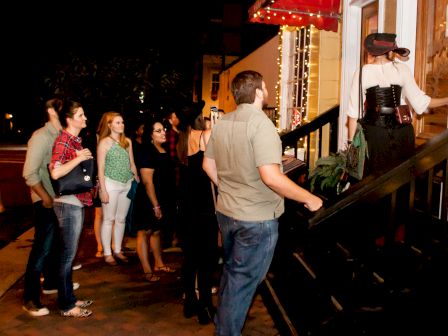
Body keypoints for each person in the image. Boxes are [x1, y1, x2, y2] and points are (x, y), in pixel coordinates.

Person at [203, 70, 323, 335]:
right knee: (242, 282)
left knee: (232, 276)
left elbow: (207, 164)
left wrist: (229, 188)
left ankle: (223, 325)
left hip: (227, 213)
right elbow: (271, 177)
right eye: (265, 87)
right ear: (258, 92)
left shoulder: (222, 122)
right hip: (255, 220)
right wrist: (310, 198)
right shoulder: (262, 125)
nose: (267, 91)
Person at [347, 33, 448, 175]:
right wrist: (446, 100)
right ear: (391, 51)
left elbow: (353, 114)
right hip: (401, 133)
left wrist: (352, 148)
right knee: (401, 178)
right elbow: (421, 102)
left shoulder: (362, 72)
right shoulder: (401, 70)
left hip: (375, 134)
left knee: (376, 180)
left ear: (371, 51)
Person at [49, 99, 94, 318]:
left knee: (69, 254)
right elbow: (55, 173)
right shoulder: (63, 141)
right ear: (69, 119)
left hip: (75, 201)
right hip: (67, 203)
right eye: (80, 115)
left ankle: (70, 299)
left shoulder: (75, 140)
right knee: (67, 256)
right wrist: (78, 159)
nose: (85, 118)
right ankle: (66, 305)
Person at [22, 98, 65, 316]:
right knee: (42, 249)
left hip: (58, 200)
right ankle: (30, 298)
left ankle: (49, 284)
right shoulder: (40, 137)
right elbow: (29, 173)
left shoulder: (61, 137)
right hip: (44, 201)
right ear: (51, 112)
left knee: (55, 246)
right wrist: (45, 197)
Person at [177, 103, 218, 325]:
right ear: (199, 118)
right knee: (206, 258)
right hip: (203, 205)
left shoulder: (182, 141)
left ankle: (190, 302)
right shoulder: (205, 135)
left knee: (190, 257)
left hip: (185, 204)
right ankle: (205, 306)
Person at [133, 118, 176, 283]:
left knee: (157, 231)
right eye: (158, 131)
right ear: (150, 135)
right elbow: (147, 181)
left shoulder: (162, 150)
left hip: (163, 198)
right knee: (145, 232)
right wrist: (155, 205)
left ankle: (159, 264)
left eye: (163, 129)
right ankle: (147, 270)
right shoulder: (146, 151)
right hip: (148, 199)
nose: (163, 132)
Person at [97, 112, 139, 265]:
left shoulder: (127, 141)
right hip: (110, 184)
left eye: (122, 122)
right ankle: (107, 253)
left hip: (126, 184)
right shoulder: (104, 143)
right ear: (109, 125)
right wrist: (103, 190)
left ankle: (118, 250)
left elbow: (132, 163)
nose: (121, 125)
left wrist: (137, 180)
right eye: (117, 122)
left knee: (121, 220)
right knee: (109, 219)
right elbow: (100, 168)